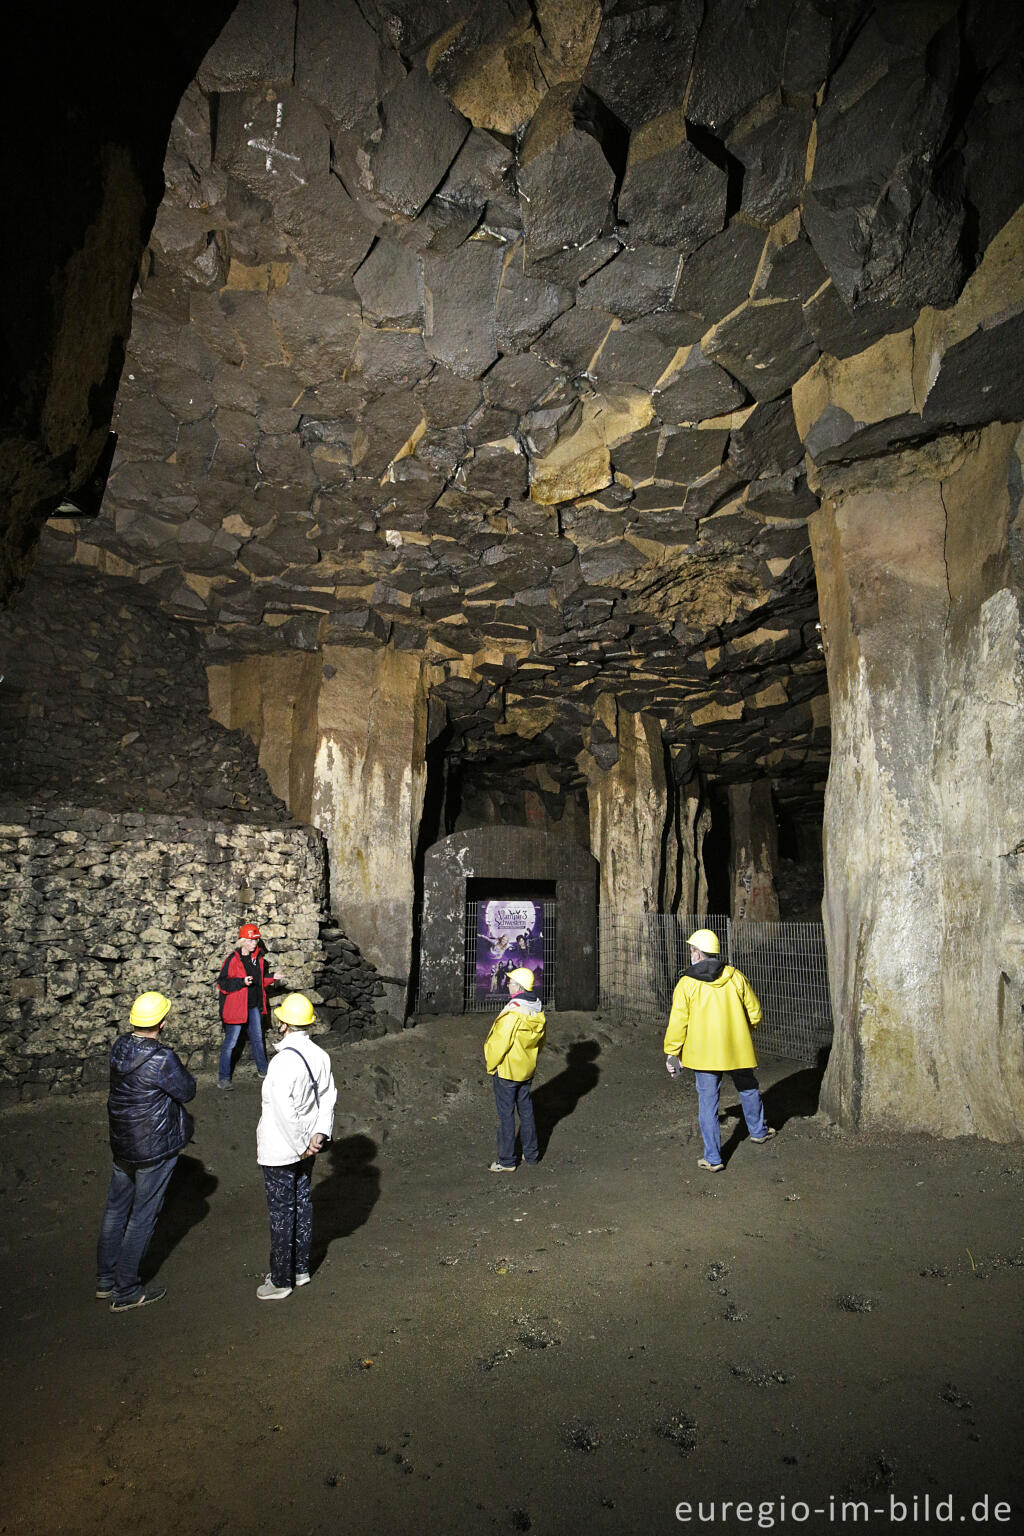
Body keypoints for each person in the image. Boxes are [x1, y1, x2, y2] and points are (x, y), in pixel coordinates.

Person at [96, 990, 196, 1311]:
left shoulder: (119, 1048)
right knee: (142, 1216)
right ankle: (126, 1290)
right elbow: (186, 1090)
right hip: (153, 1146)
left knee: (116, 1209)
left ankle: (106, 1279)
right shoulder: (161, 1058)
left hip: (123, 1141)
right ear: (163, 1023)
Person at [664, 928, 775, 1172]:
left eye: (692, 950)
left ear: (698, 954)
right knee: (748, 1087)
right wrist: (745, 1032)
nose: (691, 954)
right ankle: (758, 1131)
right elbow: (754, 1012)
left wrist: (673, 1052)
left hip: (703, 1054)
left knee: (708, 1103)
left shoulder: (687, 984)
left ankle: (713, 1158)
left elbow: (678, 1022)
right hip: (736, 1049)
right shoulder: (735, 977)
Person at [256, 992, 337, 1300]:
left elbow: (282, 1110)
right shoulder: (320, 1055)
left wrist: (301, 1144)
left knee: (281, 1212)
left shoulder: (281, 1063)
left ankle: (280, 1280)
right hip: (308, 1146)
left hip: (282, 1149)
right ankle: (300, 1269)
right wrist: (318, 1135)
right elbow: (327, 1096)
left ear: (283, 1024)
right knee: (302, 1204)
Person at [484, 965, 546, 1172]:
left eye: (510, 982)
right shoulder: (536, 1007)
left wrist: (492, 1064)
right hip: (526, 1069)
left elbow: (499, 1042)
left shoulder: (513, 1011)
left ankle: (507, 1161)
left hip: (508, 1070)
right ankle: (532, 1154)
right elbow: (541, 1041)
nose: (507, 984)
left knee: (506, 1115)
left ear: (518, 987)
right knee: (526, 1112)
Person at [217, 922, 280, 1088]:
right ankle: (223, 1078)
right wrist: (241, 982)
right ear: (243, 941)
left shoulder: (257, 959)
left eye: (256, 940)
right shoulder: (232, 960)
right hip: (237, 1006)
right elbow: (222, 984)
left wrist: (273, 976)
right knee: (230, 1042)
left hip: (253, 1006)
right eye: (251, 941)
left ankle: (263, 1070)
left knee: (258, 1039)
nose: (255, 943)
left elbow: (259, 981)